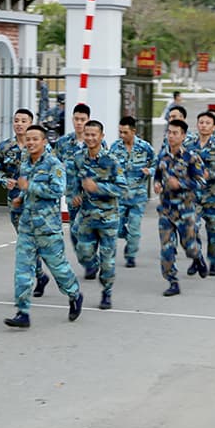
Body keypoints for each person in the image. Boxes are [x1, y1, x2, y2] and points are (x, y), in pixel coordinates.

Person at [3, 125, 85, 328]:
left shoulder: (53, 164)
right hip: (27, 226)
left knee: (58, 268)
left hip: (48, 228)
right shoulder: (25, 163)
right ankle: (22, 312)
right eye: (28, 139)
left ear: (44, 142)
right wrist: (20, 198)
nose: (30, 143)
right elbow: (25, 186)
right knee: (22, 268)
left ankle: (74, 294)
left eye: (35, 139)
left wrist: (29, 187)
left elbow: (58, 190)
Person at [66, 120, 126, 309]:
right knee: (84, 254)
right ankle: (94, 263)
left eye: (94, 135)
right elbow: (72, 181)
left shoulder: (112, 160)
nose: (90, 138)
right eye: (87, 134)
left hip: (108, 218)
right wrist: (74, 195)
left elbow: (122, 188)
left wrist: (97, 187)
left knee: (108, 263)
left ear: (101, 136)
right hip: (86, 216)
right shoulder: (77, 158)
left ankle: (106, 293)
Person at [0, 108, 49, 297]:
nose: (19, 124)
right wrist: (3, 180)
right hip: (15, 202)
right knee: (25, 241)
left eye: (23, 120)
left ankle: (39, 276)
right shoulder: (5, 147)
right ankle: (39, 276)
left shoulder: (41, 147)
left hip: (37, 203)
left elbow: (51, 171)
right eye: (16, 120)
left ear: (30, 123)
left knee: (36, 242)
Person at [154, 119, 208, 296]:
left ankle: (198, 257)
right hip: (166, 210)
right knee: (166, 248)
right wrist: (157, 185)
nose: (171, 136)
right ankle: (172, 281)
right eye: (169, 132)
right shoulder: (162, 155)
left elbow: (201, 182)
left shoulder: (191, 157)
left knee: (190, 247)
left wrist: (181, 184)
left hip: (185, 210)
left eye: (175, 133)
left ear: (183, 136)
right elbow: (157, 175)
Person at [55, 103, 99, 271]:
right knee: (75, 232)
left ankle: (92, 259)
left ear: (88, 120)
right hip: (72, 195)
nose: (79, 122)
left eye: (83, 119)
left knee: (90, 230)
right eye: (76, 119)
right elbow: (56, 167)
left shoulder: (96, 142)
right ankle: (89, 262)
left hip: (92, 197)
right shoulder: (63, 143)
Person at [110, 116, 157, 268]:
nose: (122, 136)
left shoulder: (144, 147)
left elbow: (157, 164)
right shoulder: (115, 147)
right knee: (116, 228)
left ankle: (130, 254)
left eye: (125, 132)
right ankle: (126, 235)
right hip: (120, 196)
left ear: (133, 131)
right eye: (120, 132)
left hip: (138, 196)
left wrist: (149, 170)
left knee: (135, 228)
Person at [190, 111, 215, 276]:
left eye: (207, 123)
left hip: (213, 196)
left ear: (214, 127)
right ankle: (196, 259)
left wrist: (212, 175)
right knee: (192, 228)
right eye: (201, 122)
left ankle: (213, 261)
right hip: (193, 196)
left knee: (213, 232)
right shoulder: (189, 145)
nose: (204, 125)